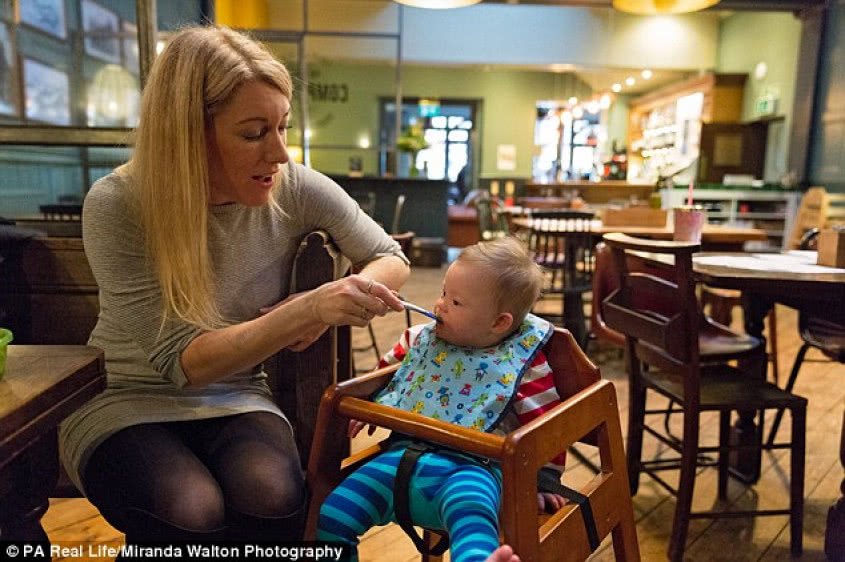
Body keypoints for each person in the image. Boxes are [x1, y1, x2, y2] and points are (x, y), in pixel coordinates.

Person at [58, 25, 409, 545]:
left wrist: (339, 295)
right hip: (124, 399)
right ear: (186, 134)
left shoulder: (292, 186)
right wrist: (306, 310)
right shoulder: (118, 203)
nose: (280, 153)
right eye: (254, 133)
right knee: (189, 507)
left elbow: (390, 257)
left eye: (282, 127)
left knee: (272, 494)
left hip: (239, 396)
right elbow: (186, 364)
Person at [317, 237, 568, 562]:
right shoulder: (419, 340)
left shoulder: (521, 363)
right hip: (398, 458)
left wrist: (544, 481)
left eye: (456, 302)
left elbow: (546, 424)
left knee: (473, 527)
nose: (440, 305)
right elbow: (387, 375)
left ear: (499, 322)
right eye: (443, 293)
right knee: (332, 517)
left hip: (473, 469)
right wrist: (370, 406)